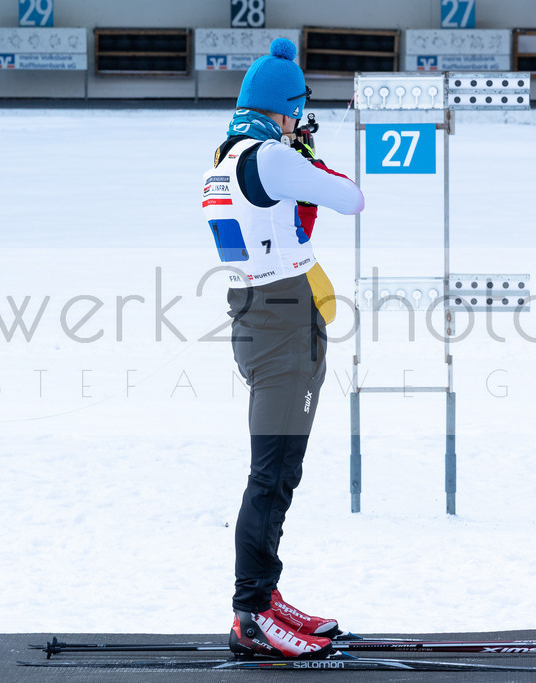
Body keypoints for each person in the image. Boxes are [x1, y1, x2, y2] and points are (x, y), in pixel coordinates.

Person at [201, 38, 364, 659]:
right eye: (298, 110)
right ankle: (251, 613)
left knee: (279, 471)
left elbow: (284, 224)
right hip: (282, 323)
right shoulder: (269, 155)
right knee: (271, 475)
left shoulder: (226, 152)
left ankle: (265, 599)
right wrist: (305, 156)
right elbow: (350, 197)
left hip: (259, 314)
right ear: (286, 107)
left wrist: (295, 154)